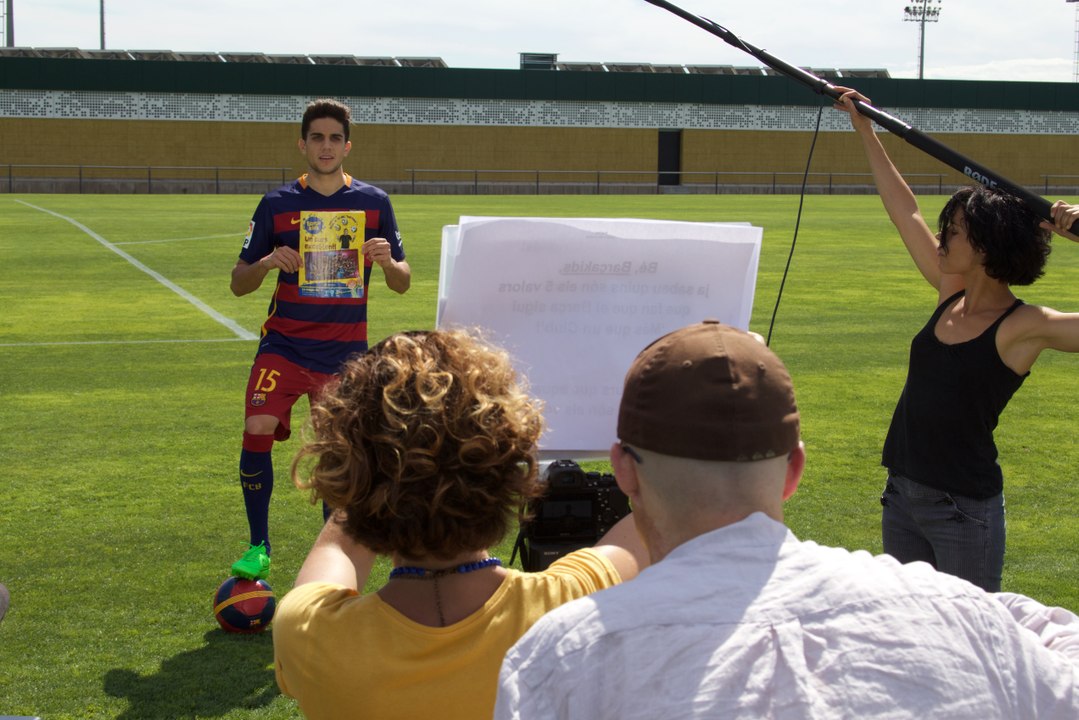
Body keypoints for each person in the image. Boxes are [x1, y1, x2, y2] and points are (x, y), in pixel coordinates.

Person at [495, 320, 1079, 719]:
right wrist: (975, 606)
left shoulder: (561, 660)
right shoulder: (967, 619)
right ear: (794, 471)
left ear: (624, 471)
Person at [272, 329, 647, 719]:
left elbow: (337, 547)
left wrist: (382, 457)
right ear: (508, 467)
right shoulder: (574, 604)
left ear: (351, 477)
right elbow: (665, 511)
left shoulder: (309, 633)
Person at [832, 87, 1079, 591]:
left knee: (971, 641)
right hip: (901, 496)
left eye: (956, 233)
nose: (942, 240)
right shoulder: (950, 294)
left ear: (988, 246)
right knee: (910, 629)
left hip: (962, 512)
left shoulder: (1025, 326)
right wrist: (865, 128)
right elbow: (906, 212)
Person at [228, 98, 411, 581]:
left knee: (337, 456)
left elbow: (403, 280)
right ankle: (259, 545)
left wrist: (387, 261)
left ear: (347, 145)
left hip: (343, 354)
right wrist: (268, 262)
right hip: (284, 345)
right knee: (259, 424)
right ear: (303, 144)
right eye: (317, 137)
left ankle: (329, 560)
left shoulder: (374, 203)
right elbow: (238, 281)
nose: (326, 146)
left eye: (334, 138)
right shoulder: (277, 205)